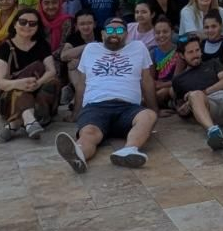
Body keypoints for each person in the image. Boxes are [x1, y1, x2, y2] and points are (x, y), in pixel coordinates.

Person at [56, 16, 158, 171]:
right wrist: (76, 114)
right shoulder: (91, 49)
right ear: (103, 33)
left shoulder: (138, 47)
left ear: (126, 34)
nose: (114, 33)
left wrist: (155, 110)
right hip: (96, 106)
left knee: (148, 116)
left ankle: (129, 150)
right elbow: (82, 84)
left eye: (119, 30)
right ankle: (78, 155)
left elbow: (147, 81)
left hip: (128, 108)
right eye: (110, 30)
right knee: (89, 133)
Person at [0, 8, 60, 142]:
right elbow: (0, 82)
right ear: (15, 24)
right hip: (11, 96)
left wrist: (38, 83)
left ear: (37, 27)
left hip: (38, 91)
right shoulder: (6, 47)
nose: (27, 26)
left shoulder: (42, 44)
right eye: (23, 22)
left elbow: (51, 70)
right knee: (20, 91)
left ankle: (14, 124)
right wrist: (20, 83)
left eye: (32, 23)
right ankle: (29, 120)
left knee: (53, 82)